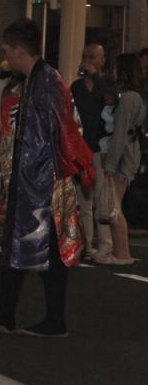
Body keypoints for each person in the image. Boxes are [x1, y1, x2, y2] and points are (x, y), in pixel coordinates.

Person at [0, 19, 94, 338]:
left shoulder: (47, 81)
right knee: (16, 247)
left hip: (44, 181)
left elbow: (65, 130)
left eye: (7, 51)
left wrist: (71, 168)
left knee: (49, 250)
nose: (5, 57)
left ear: (18, 49)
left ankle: (52, 319)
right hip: (29, 178)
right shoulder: (32, 81)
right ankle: (5, 314)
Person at [95, 53, 145, 265]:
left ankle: (122, 254)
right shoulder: (136, 96)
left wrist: (110, 164)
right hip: (129, 152)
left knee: (114, 206)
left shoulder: (129, 98)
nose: (113, 71)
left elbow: (120, 132)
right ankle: (118, 252)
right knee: (115, 206)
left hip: (123, 155)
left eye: (116, 67)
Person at [71, 43, 112, 259]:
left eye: (94, 57)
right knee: (84, 199)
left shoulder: (106, 85)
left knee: (102, 199)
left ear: (102, 60)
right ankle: (86, 246)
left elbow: (110, 101)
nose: (89, 61)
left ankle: (105, 245)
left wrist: (96, 76)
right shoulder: (76, 87)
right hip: (81, 149)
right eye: (86, 57)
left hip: (100, 148)